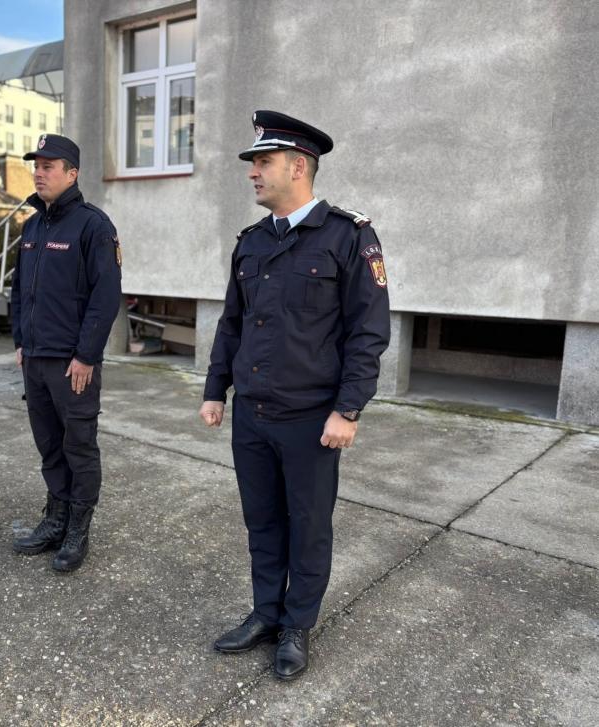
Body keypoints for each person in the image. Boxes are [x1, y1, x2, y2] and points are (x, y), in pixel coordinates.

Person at [200, 110, 390, 680]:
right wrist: (216, 389)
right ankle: (266, 612)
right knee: (261, 521)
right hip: (252, 414)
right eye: (253, 163)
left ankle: (296, 626)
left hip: (311, 418)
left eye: (264, 162)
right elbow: (232, 323)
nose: (253, 173)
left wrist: (348, 408)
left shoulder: (347, 236)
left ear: (299, 167)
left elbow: (367, 331)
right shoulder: (252, 242)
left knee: (308, 525)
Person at [10, 133, 122, 572]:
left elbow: (105, 297)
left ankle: (78, 528)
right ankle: (55, 518)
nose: (39, 173)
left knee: (79, 446)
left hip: (73, 362)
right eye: (36, 166)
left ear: (72, 174)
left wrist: (87, 356)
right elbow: (19, 290)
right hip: (36, 359)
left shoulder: (94, 226)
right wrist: (21, 342)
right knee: (49, 445)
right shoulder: (32, 227)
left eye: (48, 166)